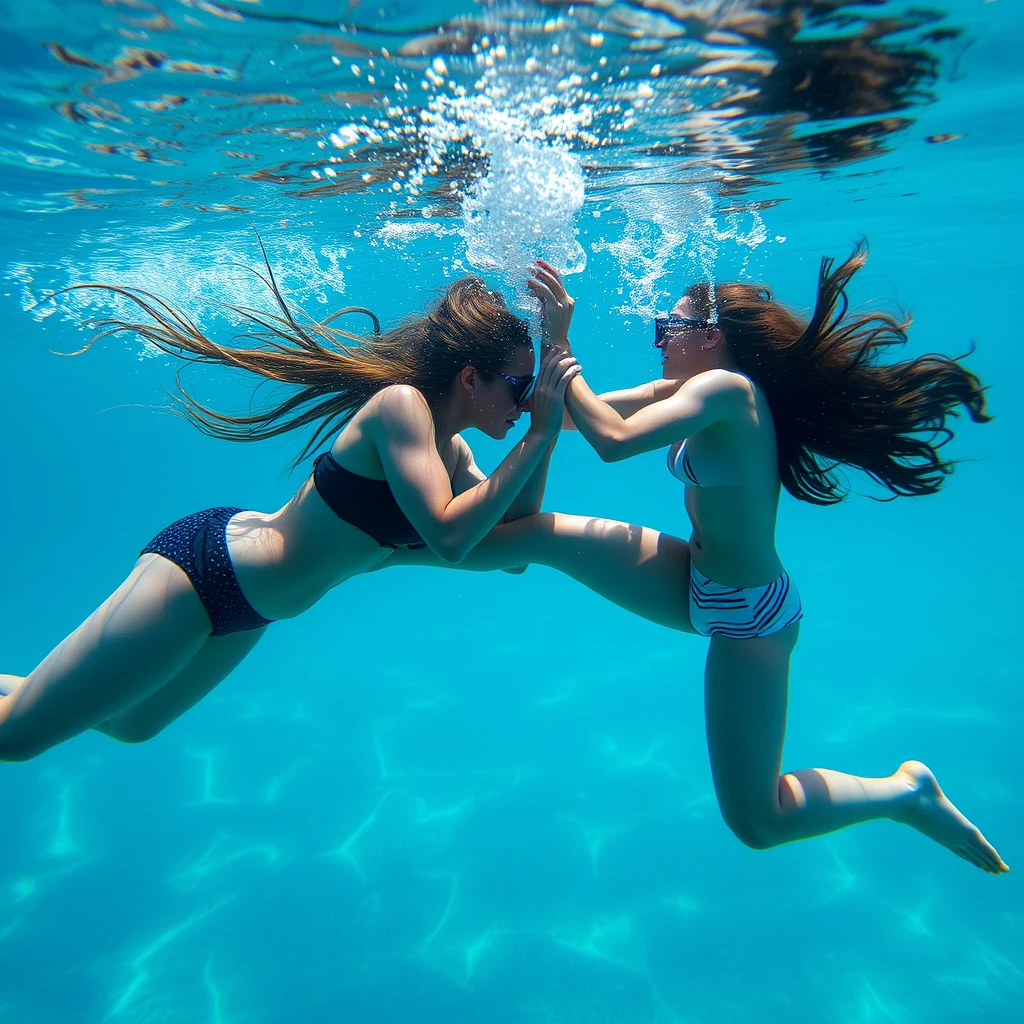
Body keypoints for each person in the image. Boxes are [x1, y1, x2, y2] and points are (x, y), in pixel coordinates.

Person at [385, 244, 1008, 874]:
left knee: (759, 822)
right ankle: (377, 554)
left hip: (752, 620)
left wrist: (561, 341)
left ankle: (905, 793)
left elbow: (612, 439)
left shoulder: (729, 392)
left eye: (668, 328)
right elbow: (577, 417)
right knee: (537, 537)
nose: (658, 340)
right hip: (690, 581)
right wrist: (513, 388)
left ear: (709, 338)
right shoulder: (691, 388)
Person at [0, 259, 579, 761]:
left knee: (132, 725)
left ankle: (50, 694)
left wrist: (544, 432)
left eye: (532, 389)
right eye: (519, 387)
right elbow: (451, 537)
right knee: (17, 738)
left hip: (251, 610)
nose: (526, 402)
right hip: (205, 574)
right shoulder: (402, 408)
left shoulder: (453, 452)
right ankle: (43, 700)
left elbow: (513, 546)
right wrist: (536, 436)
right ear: (470, 379)